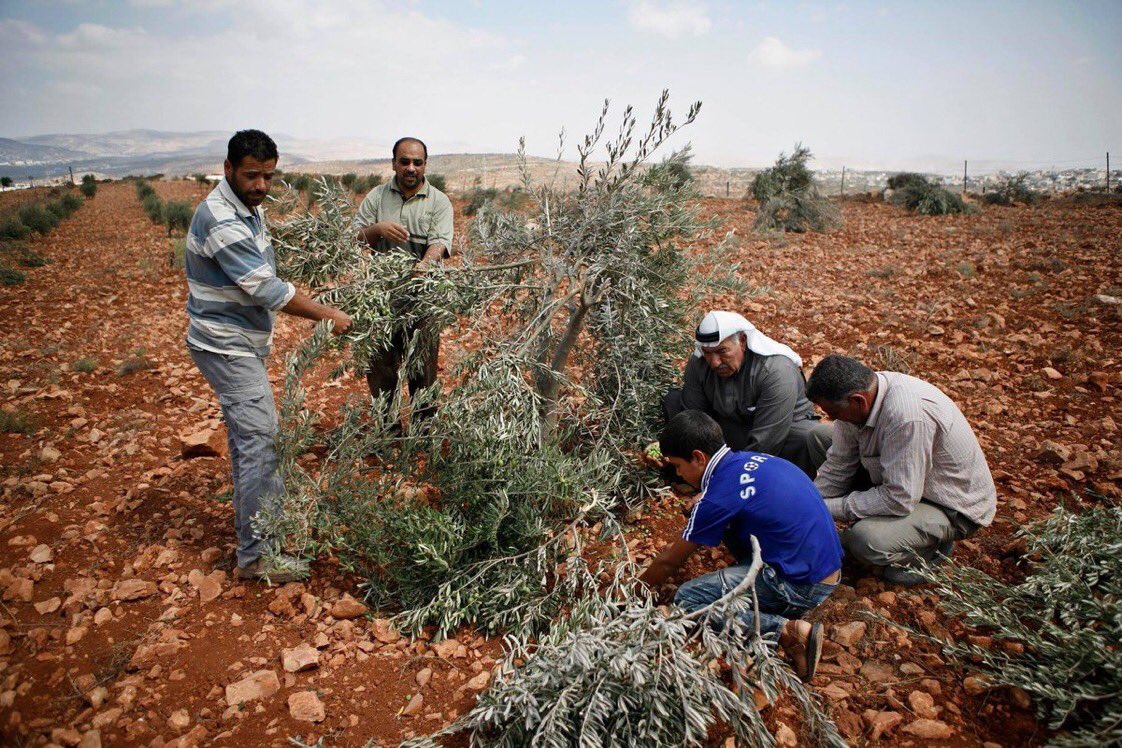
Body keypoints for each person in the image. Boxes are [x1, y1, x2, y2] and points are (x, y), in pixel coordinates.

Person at [185, 129, 352, 583]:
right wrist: (328, 314)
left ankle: (259, 537)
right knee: (264, 442)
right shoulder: (221, 218)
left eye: (268, 176)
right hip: (225, 344)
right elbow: (267, 289)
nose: (261, 185)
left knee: (249, 443)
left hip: (240, 341)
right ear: (228, 170)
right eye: (252, 175)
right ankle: (258, 556)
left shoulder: (247, 209)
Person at [640, 410, 842, 682]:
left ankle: (789, 632)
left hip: (801, 585)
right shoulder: (752, 460)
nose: (678, 473)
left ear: (698, 457)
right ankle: (767, 597)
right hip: (825, 567)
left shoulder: (716, 500)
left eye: (678, 466)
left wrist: (633, 593)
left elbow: (668, 561)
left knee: (687, 601)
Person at [806, 354, 997, 586]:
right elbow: (839, 464)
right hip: (907, 481)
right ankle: (898, 529)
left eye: (834, 413)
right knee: (819, 437)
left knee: (864, 539)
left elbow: (899, 499)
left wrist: (829, 509)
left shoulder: (906, 417)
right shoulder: (865, 396)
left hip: (947, 503)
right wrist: (808, 502)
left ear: (858, 401)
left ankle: (931, 550)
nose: (831, 418)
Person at [663, 310, 831, 478]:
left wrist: (727, 484)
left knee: (804, 436)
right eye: (708, 353)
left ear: (742, 342)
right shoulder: (698, 363)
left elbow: (766, 441)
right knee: (674, 401)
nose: (715, 362)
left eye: (722, 351)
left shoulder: (776, 370)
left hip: (777, 434)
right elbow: (693, 418)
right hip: (735, 427)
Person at [354, 137, 453, 420]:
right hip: (381, 301)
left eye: (417, 162)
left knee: (422, 370)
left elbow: (440, 242)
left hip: (422, 301)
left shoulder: (439, 201)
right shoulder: (376, 197)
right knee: (381, 369)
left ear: (425, 165)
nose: (411, 168)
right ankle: (388, 433)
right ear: (394, 162)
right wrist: (377, 230)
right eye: (405, 161)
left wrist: (423, 266)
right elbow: (353, 238)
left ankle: (422, 437)